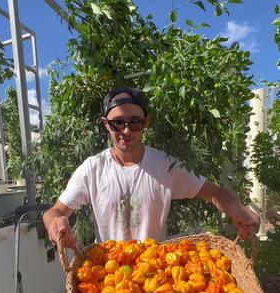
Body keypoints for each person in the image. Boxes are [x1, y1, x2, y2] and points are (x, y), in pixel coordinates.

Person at [43, 86, 259, 248]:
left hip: (155, 273)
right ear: (105, 124)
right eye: (118, 123)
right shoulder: (92, 169)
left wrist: (237, 210)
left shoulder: (166, 165)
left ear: (146, 123)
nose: (126, 131)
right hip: (109, 276)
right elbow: (56, 211)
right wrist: (55, 223)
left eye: (134, 122)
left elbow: (214, 193)